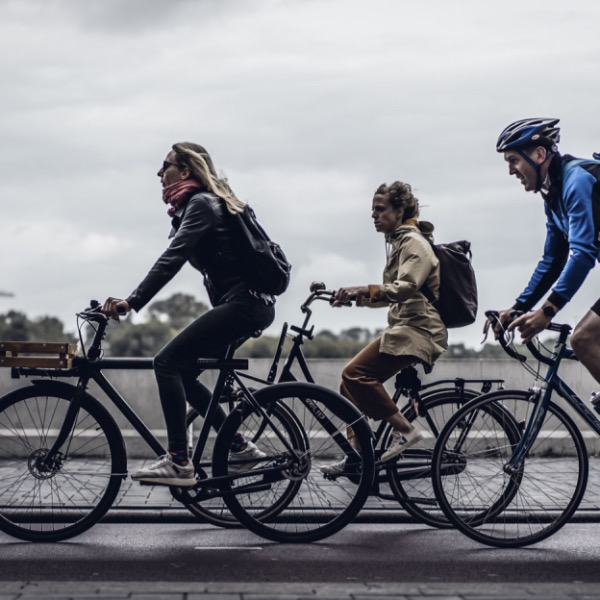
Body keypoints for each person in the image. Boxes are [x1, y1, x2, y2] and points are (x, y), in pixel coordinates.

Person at [102, 142, 275, 486]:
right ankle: (239, 447)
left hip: (244, 305)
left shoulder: (201, 205)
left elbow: (173, 257)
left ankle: (179, 461)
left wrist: (132, 301)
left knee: (165, 362)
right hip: (250, 304)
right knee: (183, 372)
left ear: (185, 171)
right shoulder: (201, 205)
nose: (158, 173)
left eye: (164, 165)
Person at [321, 181, 448, 474]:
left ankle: (406, 430)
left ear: (399, 210)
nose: (374, 215)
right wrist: (356, 298)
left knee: (354, 373)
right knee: (349, 387)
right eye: (372, 210)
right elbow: (393, 292)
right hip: (408, 327)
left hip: (419, 330)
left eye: (380, 209)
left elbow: (406, 288)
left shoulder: (414, 243)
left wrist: (362, 288)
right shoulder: (401, 242)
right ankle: (358, 458)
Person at [493, 118, 600, 393]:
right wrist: (519, 306)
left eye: (514, 160)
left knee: (584, 339)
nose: (510, 170)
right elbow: (552, 261)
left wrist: (547, 310)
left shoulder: (577, 181)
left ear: (539, 154)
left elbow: (583, 254)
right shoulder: (553, 195)